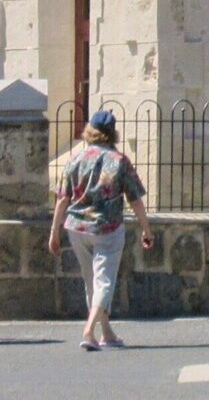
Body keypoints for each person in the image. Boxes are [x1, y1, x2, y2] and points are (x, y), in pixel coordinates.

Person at [47, 109, 156, 351]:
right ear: (112, 133)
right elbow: (135, 199)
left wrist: (54, 232)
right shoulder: (119, 161)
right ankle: (89, 330)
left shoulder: (75, 159)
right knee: (105, 281)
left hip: (76, 228)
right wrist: (146, 230)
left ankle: (107, 333)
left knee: (91, 282)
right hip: (107, 227)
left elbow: (62, 199)